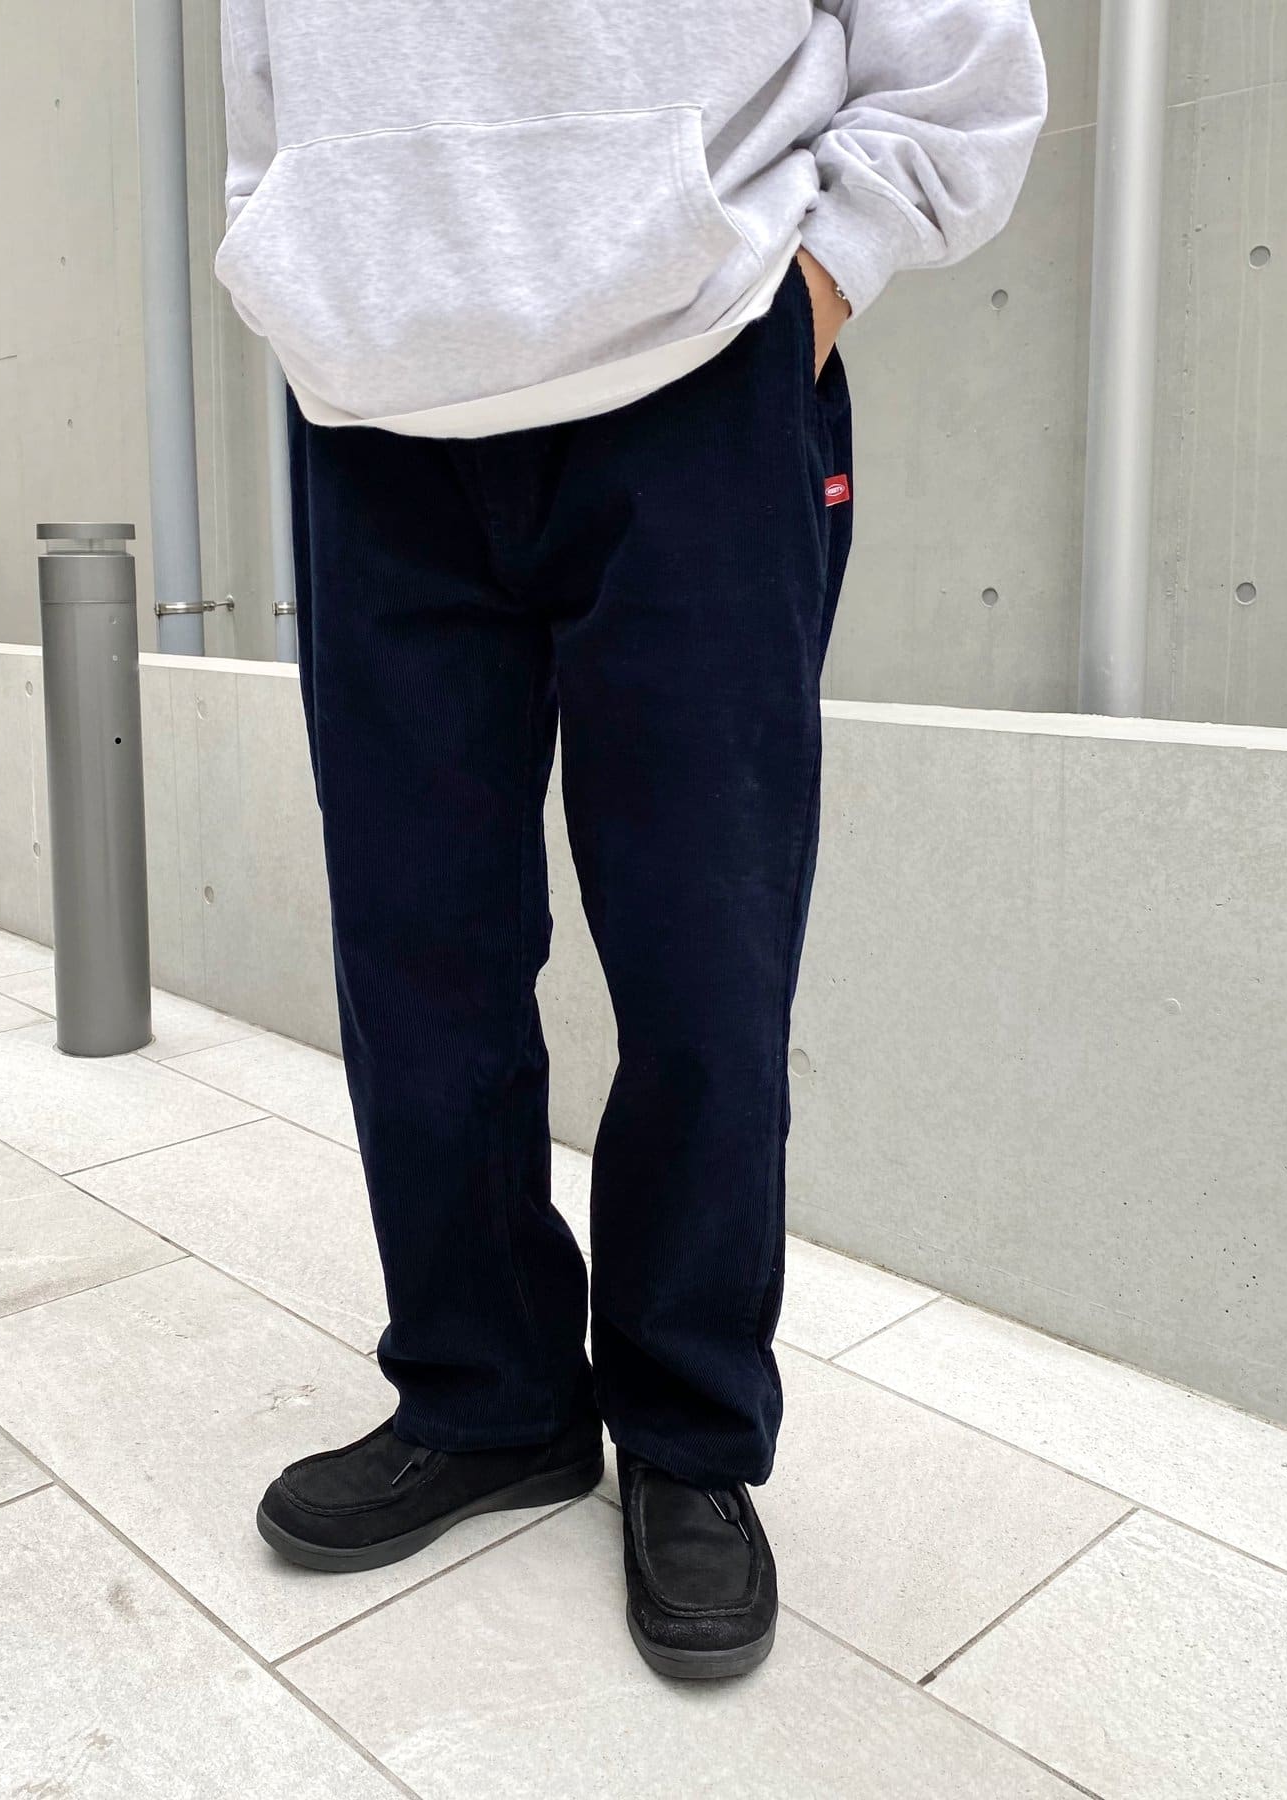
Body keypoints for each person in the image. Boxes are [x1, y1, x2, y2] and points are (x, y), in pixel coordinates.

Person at [215, 1, 1046, 1680]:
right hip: (376, 413)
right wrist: (297, 261)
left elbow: (959, 67)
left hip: (700, 375)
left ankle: (687, 1432)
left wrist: (808, 293)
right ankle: (489, 1394)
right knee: (416, 949)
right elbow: (265, 81)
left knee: (702, 957)